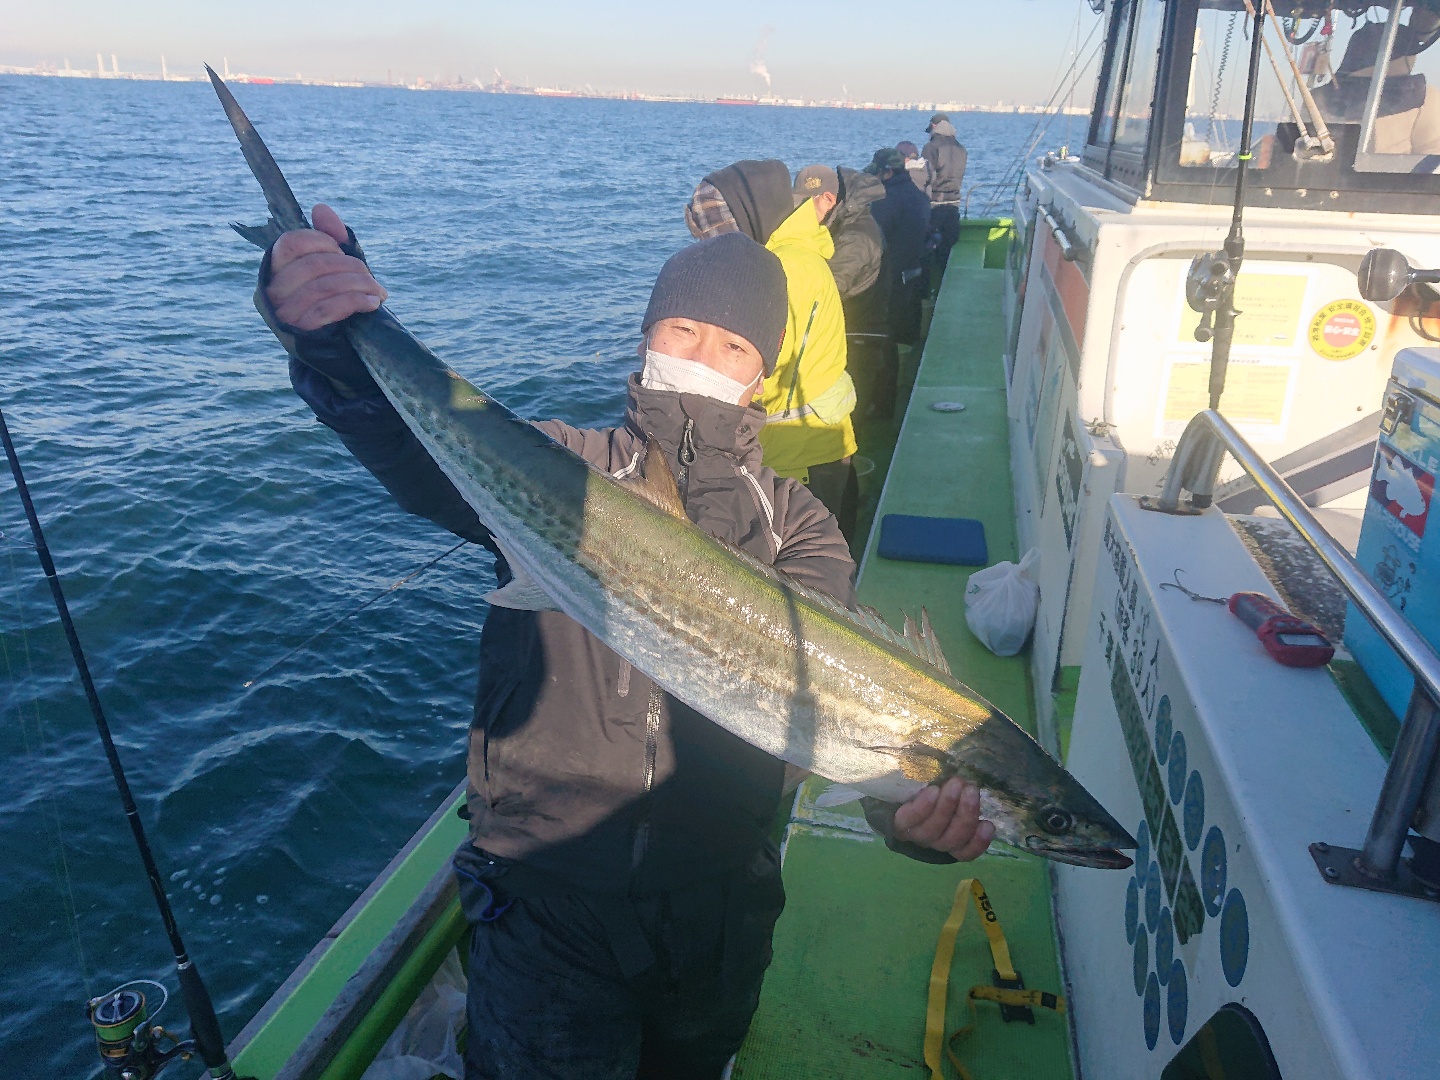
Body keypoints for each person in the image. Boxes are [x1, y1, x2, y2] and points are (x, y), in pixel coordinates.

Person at [257, 204, 995, 1080]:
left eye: (733, 347)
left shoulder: (800, 527)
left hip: (719, 913)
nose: (701, 360)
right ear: (647, 338)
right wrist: (335, 345)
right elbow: (415, 442)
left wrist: (906, 816)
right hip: (545, 905)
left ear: (760, 376)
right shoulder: (563, 469)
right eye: (683, 329)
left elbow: (822, 710)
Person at [686, 160, 860, 541]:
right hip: (816, 443)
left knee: (803, 571)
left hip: (800, 457)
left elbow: (763, 363)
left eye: (725, 236)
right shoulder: (792, 252)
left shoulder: (782, 268)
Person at [867, 148, 933, 418]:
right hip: (913, 275)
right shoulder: (918, 195)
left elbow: (875, 238)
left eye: (878, 173)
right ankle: (894, 402)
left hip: (891, 278)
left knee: (884, 343)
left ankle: (881, 407)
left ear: (888, 172)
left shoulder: (887, 200)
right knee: (900, 341)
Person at [922, 112, 968, 277]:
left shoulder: (931, 147)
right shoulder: (961, 148)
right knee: (947, 249)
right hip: (954, 204)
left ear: (934, 126)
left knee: (929, 251)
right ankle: (945, 285)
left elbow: (927, 177)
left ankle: (927, 293)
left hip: (935, 205)